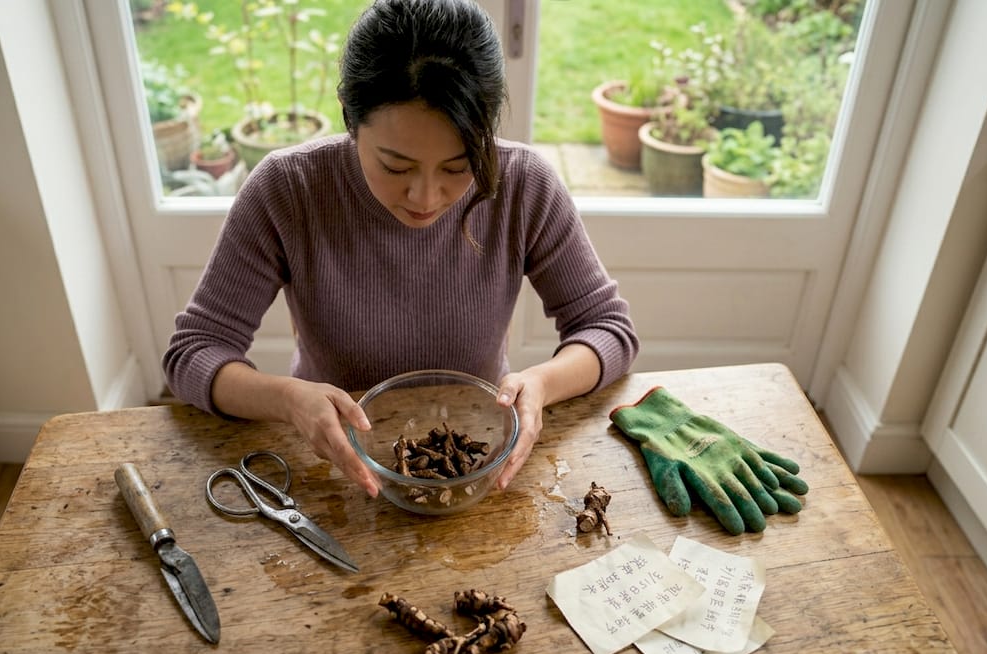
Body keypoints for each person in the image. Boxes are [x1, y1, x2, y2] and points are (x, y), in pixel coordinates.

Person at [164, 0, 639, 497]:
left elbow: (606, 329)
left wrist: (542, 383)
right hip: (335, 466)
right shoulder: (289, 189)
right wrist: (288, 400)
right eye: (395, 167)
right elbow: (194, 352)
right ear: (350, 118)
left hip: (473, 455)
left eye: (458, 167)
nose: (425, 198)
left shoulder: (523, 184)